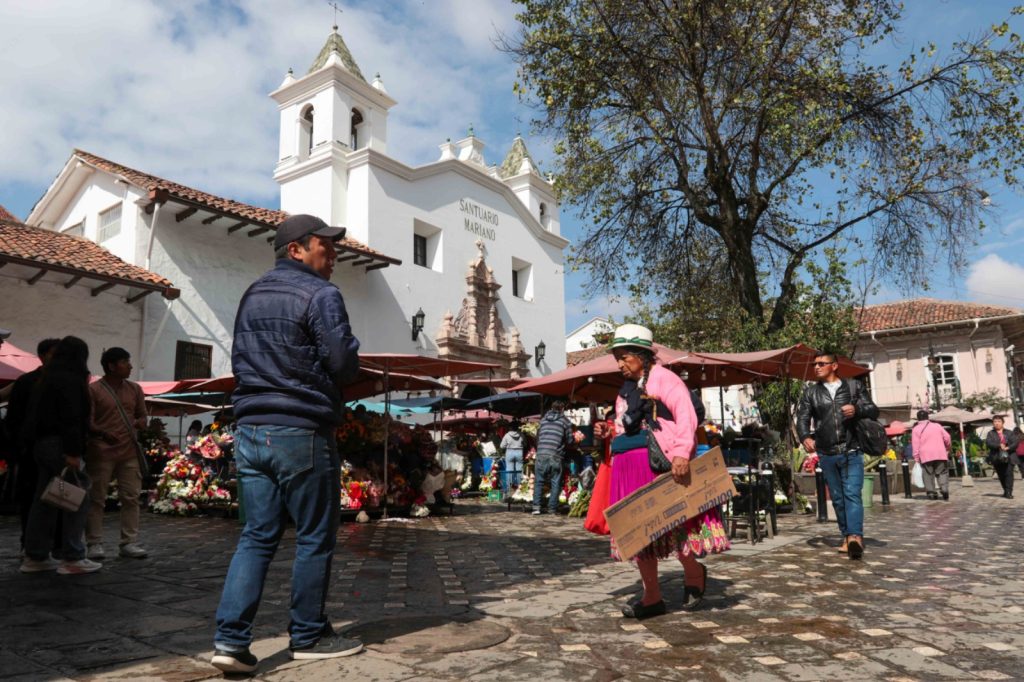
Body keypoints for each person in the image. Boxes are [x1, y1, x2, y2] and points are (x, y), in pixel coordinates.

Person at [212, 214, 362, 674]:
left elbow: (241, 355)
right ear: (295, 249)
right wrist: (349, 354)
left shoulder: (252, 294)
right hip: (300, 427)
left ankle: (230, 641)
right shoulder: (321, 294)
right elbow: (342, 361)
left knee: (257, 536)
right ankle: (308, 634)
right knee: (315, 537)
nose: (333, 255)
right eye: (326, 246)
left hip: (251, 428)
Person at [597, 324, 729, 619]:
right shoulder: (625, 392)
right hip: (627, 465)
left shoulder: (664, 379)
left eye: (624, 357)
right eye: (617, 357)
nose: (619, 363)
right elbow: (624, 424)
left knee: (674, 524)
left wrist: (682, 453)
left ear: (642, 356)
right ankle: (652, 596)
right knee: (639, 533)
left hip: (657, 462)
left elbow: (686, 414)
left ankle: (694, 573)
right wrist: (608, 432)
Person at [21, 336, 101, 575]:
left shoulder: (44, 380)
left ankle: (35, 556)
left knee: (44, 499)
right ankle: (73, 556)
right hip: (61, 446)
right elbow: (71, 418)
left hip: (41, 445)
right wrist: (73, 452)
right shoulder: (71, 380)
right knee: (77, 498)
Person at [796, 350, 878, 560]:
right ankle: (846, 536)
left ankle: (855, 537)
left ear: (834, 366)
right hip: (827, 453)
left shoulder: (853, 386)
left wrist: (857, 409)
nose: (816, 367)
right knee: (839, 499)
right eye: (815, 364)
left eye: (821, 363)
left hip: (852, 449)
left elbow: (873, 410)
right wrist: (805, 436)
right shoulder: (810, 393)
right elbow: (802, 418)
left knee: (852, 494)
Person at [85, 347, 149, 561]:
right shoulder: (94, 390)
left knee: (131, 497)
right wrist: (103, 433)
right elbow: (88, 421)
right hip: (101, 452)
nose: (130, 365)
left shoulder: (135, 389)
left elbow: (143, 417)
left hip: (129, 452)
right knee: (96, 499)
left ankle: (129, 542)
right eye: (125, 361)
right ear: (111, 366)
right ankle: (94, 543)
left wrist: (139, 423)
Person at [6, 337, 60, 555]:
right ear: (44, 355)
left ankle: (53, 543)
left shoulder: (62, 381)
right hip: (31, 450)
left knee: (59, 497)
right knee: (32, 497)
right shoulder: (27, 382)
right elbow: (14, 418)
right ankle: (29, 543)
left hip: (55, 449)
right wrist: (19, 447)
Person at [532, 400, 573, 515]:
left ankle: (536, 507)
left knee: (539, 481)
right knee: (555, 481)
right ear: (562, 409)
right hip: (555, 455)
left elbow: (537, 437)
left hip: (541, 453)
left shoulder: (543, 420)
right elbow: (570, 440)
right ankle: (552, 508)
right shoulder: (565, 422)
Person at [911, 410, 951, 500]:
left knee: (928, 474)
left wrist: (916, 457)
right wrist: (947, 447)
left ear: (918, 418)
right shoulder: (937, 426)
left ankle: (931, 492)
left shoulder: (916, 429)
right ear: (928, 417)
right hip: (940, 453)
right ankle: (944, 489)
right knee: (942, 472)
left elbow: (915, 444)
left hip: (925, 455)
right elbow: (947, 437)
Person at [986, 415, 1018, 499]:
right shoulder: (990, 433)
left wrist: (1008, 447)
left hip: (1009, 457)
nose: (996, 423)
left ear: (1003, 422)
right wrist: (998, 445)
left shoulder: (1009, 432)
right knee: (1001, 475)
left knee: (1008, 474)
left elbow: (1015, 443)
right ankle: (1005, 490)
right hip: (997, 457)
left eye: (999, 421)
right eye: (995, 422)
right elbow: (989, 443)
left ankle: (1008, 492)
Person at [500, 420, 525, 496]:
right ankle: (519, 488)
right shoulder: (521, 434)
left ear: (510, 427)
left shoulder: (507, 435)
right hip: (519, 452)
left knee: (509, 470)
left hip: (509, 452)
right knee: (519, 470)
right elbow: (525, 443)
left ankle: (509, 489)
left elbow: (502, 446)